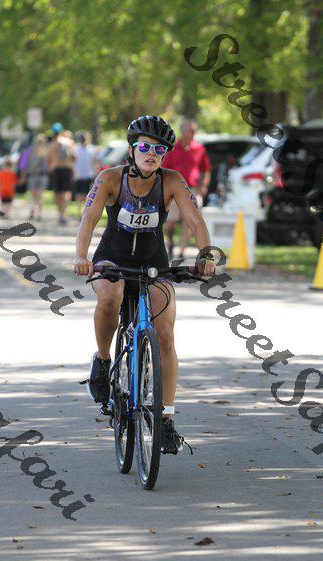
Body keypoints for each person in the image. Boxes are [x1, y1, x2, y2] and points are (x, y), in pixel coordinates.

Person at [73, 115, 215, 454]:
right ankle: (103, 360)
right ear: (131, 149)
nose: (152, 154)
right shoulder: (110, 178)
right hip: (112, 259)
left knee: (165, 334)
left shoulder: (172, 181)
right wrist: (81, 256)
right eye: (145, 147)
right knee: (111, 296)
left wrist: (206, 254)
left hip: (154, 264)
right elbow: (89, 219)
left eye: (159, 150)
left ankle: (165, 419)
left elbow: (195, 221)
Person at [162, 119, 212, 259]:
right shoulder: (172, 148)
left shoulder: (199, 149)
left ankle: (182, 251)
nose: (194, 132)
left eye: (195, 130)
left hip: (192, 190)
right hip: (173, 190)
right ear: (183, 131)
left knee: (190, 222)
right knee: (170, 222)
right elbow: (164, 170)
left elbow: (206, 169)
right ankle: (170, 242)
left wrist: (203, 185)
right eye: (191, 130)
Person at [46, 122, 74, 225]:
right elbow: (74, 157)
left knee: (57, 193)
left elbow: (48, 160)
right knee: (66, 192)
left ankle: (60, 214)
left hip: (55, 169)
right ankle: (64, 214)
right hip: (67, 169)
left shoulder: (51, 144)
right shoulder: (69, 142)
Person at [22, 134, 49, 221]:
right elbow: (24, 164)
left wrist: (24, 174)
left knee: (35, 195)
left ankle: (34, 212)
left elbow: (23, 164)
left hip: (36, 175)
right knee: (38, 195)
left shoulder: (30, 151)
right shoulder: (46, 151)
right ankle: (36, 213)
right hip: (39, 175)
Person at [73, 132, 97, 217]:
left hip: (88, 174)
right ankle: (80, 213)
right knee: (79, 195)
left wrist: (95, 173)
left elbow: (94, 162)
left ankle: (85, 212)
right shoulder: (76, 148)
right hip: (79, 175)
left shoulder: (92, 149)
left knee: (87, 195)